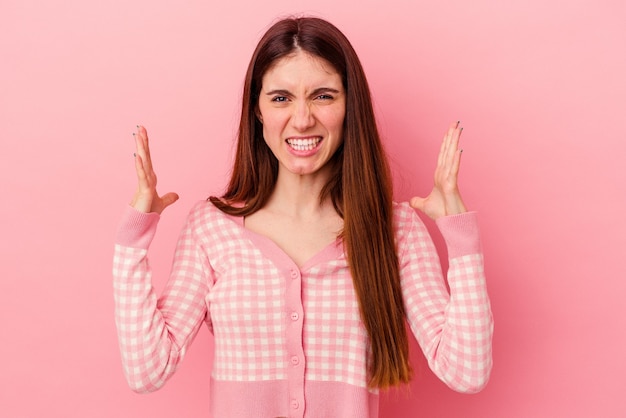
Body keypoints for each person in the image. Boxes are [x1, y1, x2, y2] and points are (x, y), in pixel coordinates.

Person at [113, 16, 493, 418]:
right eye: (281, 98)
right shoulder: (211, 228)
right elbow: (147, 370)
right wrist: (132, 239)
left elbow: (466, 372)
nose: (302, 119)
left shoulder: (394, 230)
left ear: (350, 106)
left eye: (323, 96)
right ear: (257, 111)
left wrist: (461, 239)